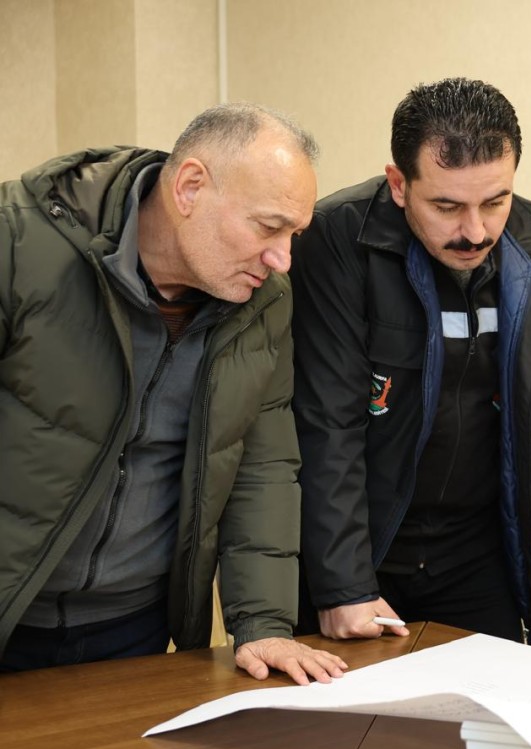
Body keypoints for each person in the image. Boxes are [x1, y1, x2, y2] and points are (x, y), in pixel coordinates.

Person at [0, 103, 348, 685]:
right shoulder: (16, 244)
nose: (282, 259)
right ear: (189, 187)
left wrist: (263, 623)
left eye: (293, 235)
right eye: (268, 227)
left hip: (133, 629)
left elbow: (262, 466)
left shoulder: (265, 300)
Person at [291, 78, 531, 645]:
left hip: (478, 549)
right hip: (362, 542)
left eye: (495, 202)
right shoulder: (338, 239)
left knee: (489, 700)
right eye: (447, 206)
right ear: (399, 184)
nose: (475, 232)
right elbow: (327, 422)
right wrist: (343, 584)